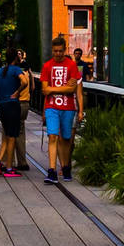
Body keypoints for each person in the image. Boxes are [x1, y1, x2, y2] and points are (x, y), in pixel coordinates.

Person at [40, 34, 84, 184]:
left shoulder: (71, 65)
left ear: (65, 50)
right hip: (52, 107)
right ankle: (51, 170)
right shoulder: (47, 66)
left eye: (60, 51)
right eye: (55, 51)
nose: (58, 54)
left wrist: (53, 89)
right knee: (53, 136)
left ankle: (65, 167)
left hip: (68, 107)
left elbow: (73, 89)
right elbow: (45, 90)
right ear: (52, 51)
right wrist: (62, 88)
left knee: (66, 139)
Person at [0, 47, 29, 177]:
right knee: (13, 136)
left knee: (6, 135)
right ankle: (9, 168)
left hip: (2, 105)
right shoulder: (16, 70)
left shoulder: (1, 70)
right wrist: (17, 92)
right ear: (16, 57)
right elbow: (24, 82)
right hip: (12, 105)